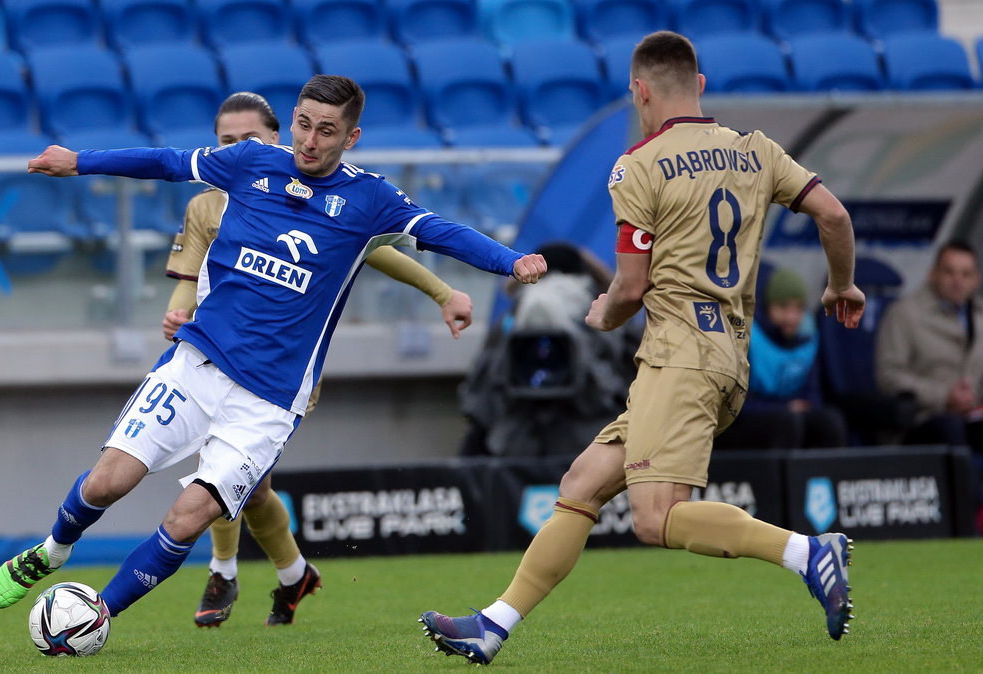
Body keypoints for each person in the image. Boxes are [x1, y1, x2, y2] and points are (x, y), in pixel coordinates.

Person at [0, 75, 547, 622]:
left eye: (326, 130)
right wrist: (78, 160)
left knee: (190, 515)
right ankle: (54, 550)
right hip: (198, 364)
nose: (310, 140)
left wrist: (510, 260)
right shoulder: (252, 163)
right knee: (109, 480)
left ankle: (96, 616)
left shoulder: (368, 199)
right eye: (303, 124)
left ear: (350, 138)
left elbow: (440, 231)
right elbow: (165, 162)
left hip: (270, 400)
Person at [419, 31, 866, 665]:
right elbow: (835, 216)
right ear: (701, 86)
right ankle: (494, 623)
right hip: (723, 354)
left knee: (656, 519)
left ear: (640, 90)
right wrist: (841, 284)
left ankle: (806, 553)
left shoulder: (640, 163)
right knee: (584, 481)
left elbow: (630, 286)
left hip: (680, 355)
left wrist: (603, 313)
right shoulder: (755, 150)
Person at [162, 91, 475, 627]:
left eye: (250, 140)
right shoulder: (203, 206)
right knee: (251, 491)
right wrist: (175, 313)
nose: (237, 148)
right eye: (226, 141)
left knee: (222, 477)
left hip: (281, 370)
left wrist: (442, 292)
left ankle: (225, 569)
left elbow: (378, 248)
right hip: (211, 354)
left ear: (276, 139)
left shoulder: (309, 194)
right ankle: (292, 576)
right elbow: (189, 277)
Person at [459, 241, 637, 456]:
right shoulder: (608, 321)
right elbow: (633, 383)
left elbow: (479, 397)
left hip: (518, 445)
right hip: (593, 444)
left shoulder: (509, 324)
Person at [875, 240, 983, 528]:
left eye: (966, 273)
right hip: (922, 421)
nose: (958, 281)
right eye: (950, 272)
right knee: (951, 427)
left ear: (976, 279)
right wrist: (943, 396)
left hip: (973, 417)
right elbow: (888, 375)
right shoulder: (905, 314)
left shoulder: (980, 317)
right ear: (932, 274)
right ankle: (966, 525)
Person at [714, 266, 847, 450]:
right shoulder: (749, 337)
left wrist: (801, 406)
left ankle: (829, 477)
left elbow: (813, 394)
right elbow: (736, 404)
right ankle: (782, 479)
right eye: (783, 307)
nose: (791, 317)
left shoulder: (809, 338)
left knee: (831, 420)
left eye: (798, 309)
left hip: (790, 413)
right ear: (769, 307)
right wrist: (786, 407)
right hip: (748, 420)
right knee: (788, 421)